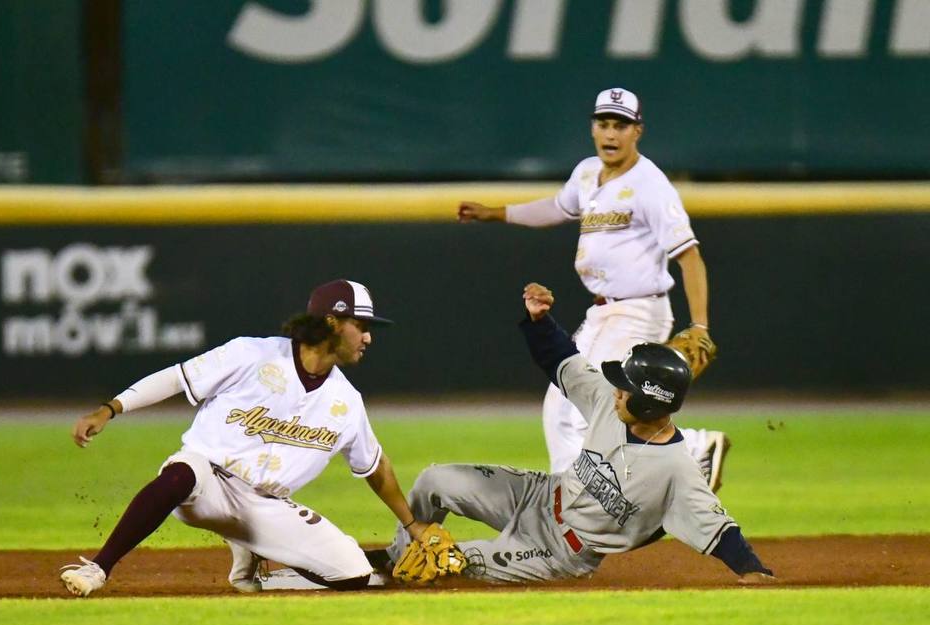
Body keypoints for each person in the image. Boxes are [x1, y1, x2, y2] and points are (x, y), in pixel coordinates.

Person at [382, 283, 773, 585]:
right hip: (537, 495)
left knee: (445, 564)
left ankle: (408, 571)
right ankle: (392, 559)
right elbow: (562, 360)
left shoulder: (676, 469)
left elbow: (721, 532)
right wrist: (540, 321)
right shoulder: (608, 401)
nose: (617, 391)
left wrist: (755, 572)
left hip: (558, 552)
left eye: (626, 388)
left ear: (649, 403)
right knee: (434, 480)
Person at [60, 279, 431, 596]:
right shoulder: (252, 355)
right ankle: (99, 568)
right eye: (360, 325)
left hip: (265, 506)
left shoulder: (346, 401)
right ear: (332, 322)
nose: (368, 337)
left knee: (353, 574)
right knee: (181, 473)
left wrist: (412, 525)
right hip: (207, 481)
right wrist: (110, 409)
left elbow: (375, 466)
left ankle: (255, 562)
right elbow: (176, 378)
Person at [457, 87, 728, 489]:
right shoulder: (587, 172)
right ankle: (686, 451)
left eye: (621, 125)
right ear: (592, 128)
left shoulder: (650, 185)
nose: (611, 133)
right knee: (580, 403)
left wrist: (700, 326)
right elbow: (556, 207)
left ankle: (578, 498)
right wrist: (495, 214)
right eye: (604, 124)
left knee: (570, 405)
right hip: (604, 312)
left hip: (637, 310)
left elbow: (690, 256)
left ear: (638, 131)